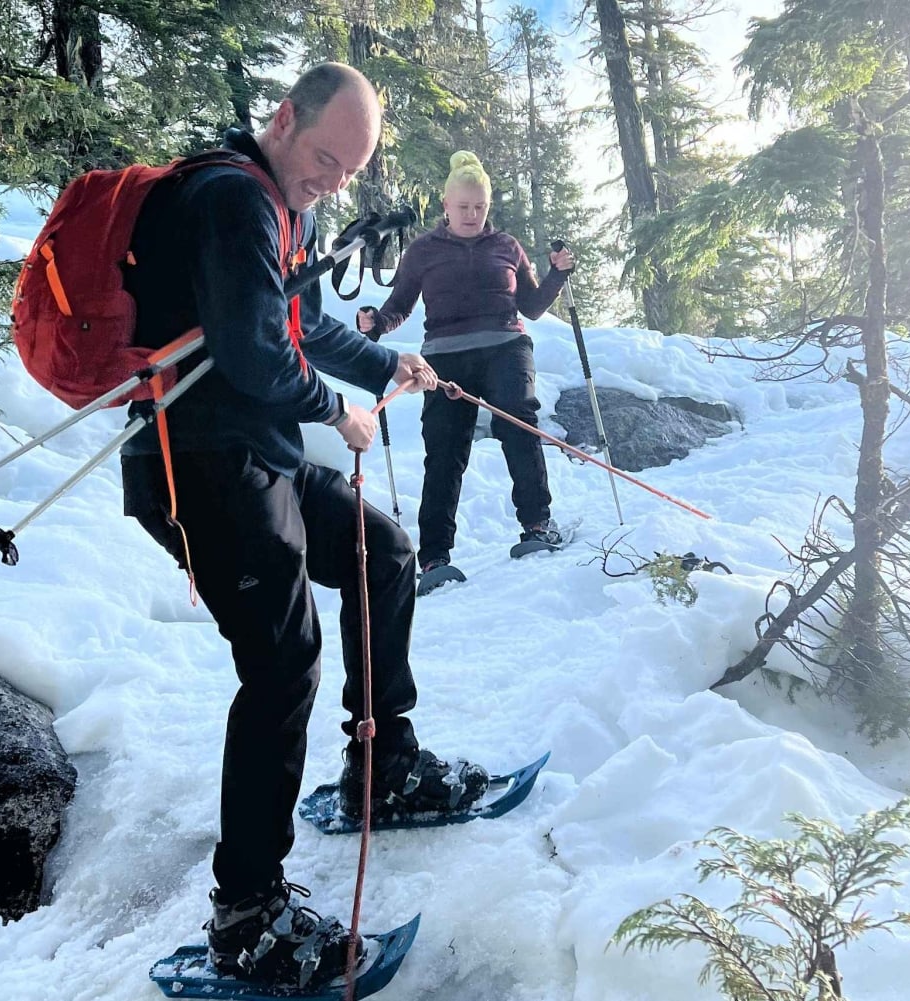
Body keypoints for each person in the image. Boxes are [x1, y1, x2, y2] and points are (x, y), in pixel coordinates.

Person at [118, 64, 488, 988]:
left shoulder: (292, 209)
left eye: (348, 170)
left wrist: (386, 366)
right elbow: (253, 356)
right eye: (324, 156)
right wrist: (340, 413)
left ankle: (381, 764)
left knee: (384, 551)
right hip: (193, 467)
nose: (331, 180)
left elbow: (302, 324)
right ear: (284, 119)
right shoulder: (229, 201)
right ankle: (246, 914)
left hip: (256, 454)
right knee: (282, 659)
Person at [358, 151, 576, 576]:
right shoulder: (423, 251)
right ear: (445, 206)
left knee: (518, 422)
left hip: (506, 347)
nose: (472, 215)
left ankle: (537, 524)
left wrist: (557, 275)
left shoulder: (506, 246)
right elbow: (399, 305)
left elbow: (530, 307)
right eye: (463, 207)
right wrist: (375, 324)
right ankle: (435, 556)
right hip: (444, 357)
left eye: (479, 207)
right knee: (444, 451)